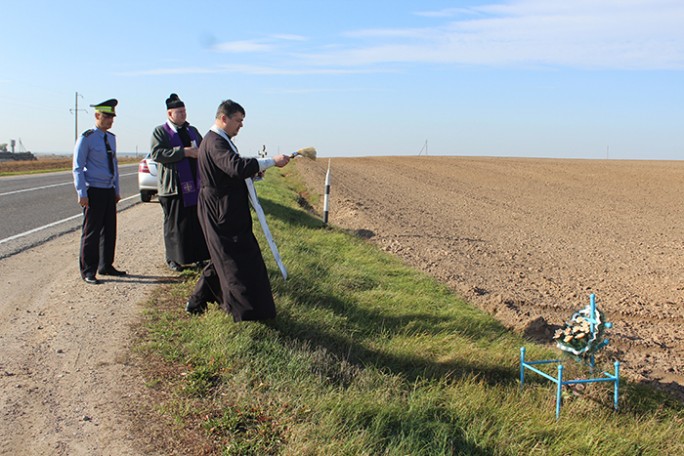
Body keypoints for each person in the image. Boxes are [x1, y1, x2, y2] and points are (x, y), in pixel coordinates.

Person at [185, 99, 290, 320]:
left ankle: (197, 301)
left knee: (223, 256)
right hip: (220, 211)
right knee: (233, 261)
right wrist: (271, 161)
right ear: (224, 118)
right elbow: (235, 166)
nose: (241, 126)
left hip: (227, 208)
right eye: (238, 121)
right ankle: (245, 312)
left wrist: (252, 174)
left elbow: (231, 172)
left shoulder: (221, 140)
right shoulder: (215, 142)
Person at [150, 93, 209, 271]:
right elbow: (157, 154)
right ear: (170, 114)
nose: (183, 115)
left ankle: (199, 257)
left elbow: (204, 147)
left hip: (194, 186)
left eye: (184, 111)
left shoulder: (192, 131)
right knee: (174, 225)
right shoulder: (160, 132)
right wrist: (184, 152)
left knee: (196, 224)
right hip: (173, 188)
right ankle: (173, 258)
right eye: (179, 112)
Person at [72, 98, 127, 284]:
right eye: (106, 117)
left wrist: (116, 190)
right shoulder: (87, 138)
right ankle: (88, 271)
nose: (110, 121)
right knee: (91, 232)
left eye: (112, 117)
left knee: (109, 230)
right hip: (93, 190)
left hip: (108, 190)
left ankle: (106, 265)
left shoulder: (111, 138)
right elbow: (78, 167)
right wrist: (82, 193)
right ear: (97, 116)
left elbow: (115, 166)